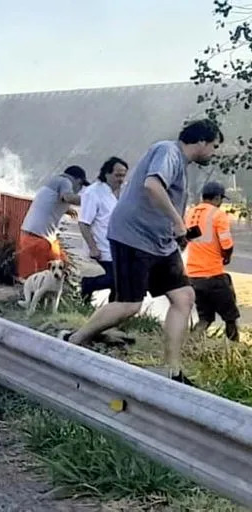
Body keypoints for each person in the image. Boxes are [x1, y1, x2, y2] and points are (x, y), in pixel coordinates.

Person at [63, 119, 224, 385]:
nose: (214, 153)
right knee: (130, 305)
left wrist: (175, 232)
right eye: (214, 147)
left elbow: (163, 198)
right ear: (202, 141)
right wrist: (177, 221)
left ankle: (172, 371)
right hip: (133, 236)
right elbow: (152, 185)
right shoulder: (169, 151)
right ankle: (73, 341)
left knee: (184, 297)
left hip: (161, 243)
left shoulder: (182, 166)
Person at [185, 181, 239, 341]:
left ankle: (189, 346)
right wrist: (227, 256)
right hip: (213, 275)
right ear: (216, 197)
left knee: (205, 318)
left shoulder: (191, 213)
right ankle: (235, 350)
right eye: (221, 199)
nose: (221, 203)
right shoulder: (218, 215)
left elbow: (190, 238)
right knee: (230, 317)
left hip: (193, 277)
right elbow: (226, 244)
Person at [18, 166, 89, 280]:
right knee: (50, 276)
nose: (79, 189)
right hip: (40, 238)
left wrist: (65, 209)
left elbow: (48, 202)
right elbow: (67, 197)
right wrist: (92, 201)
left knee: (60, 265)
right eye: (81, 186)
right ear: (78, 181)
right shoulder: (66, 182)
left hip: (29, 234)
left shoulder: (54, 181)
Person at [78, 157, 129, 301]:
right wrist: (93, 248)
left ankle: (111, 313)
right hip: (101, 247)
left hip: (117, 246)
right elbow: (83, 223)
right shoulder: (93, 192)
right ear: (106, 173)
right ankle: (87, 286)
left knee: (121, 283)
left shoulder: (118, 192)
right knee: (115, 279)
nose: (121, 179)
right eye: (117, 175)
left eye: (123, 175)